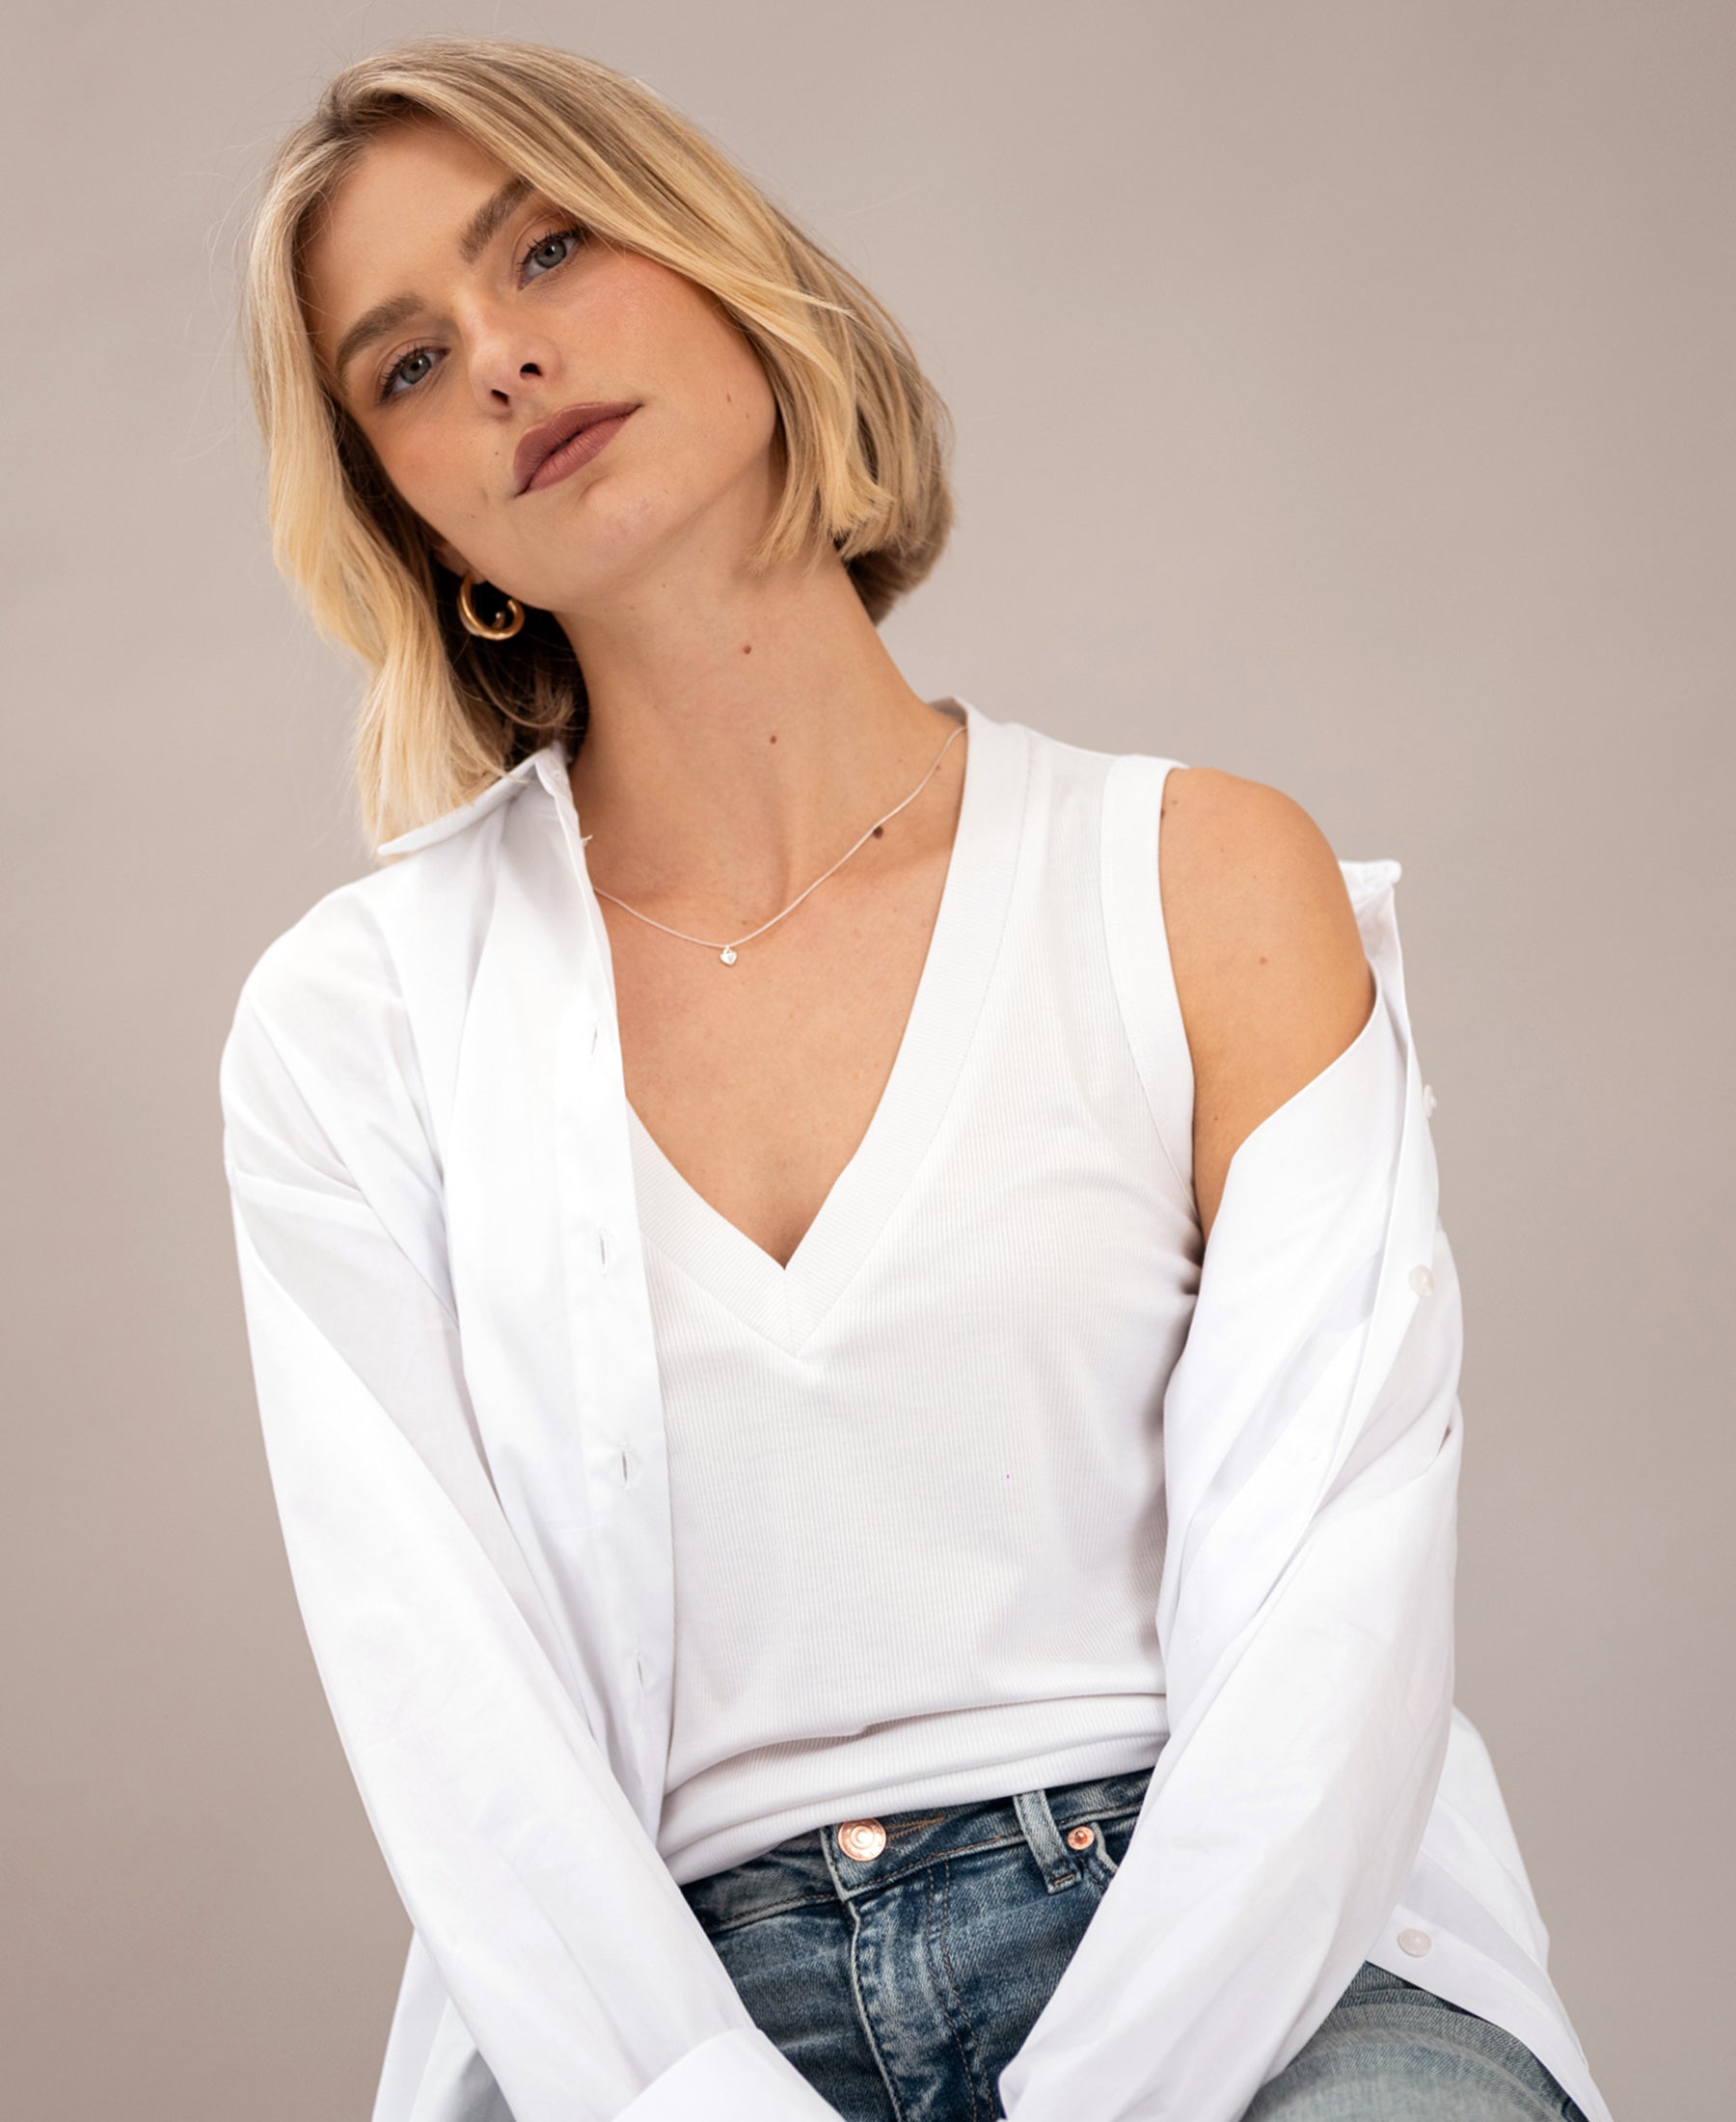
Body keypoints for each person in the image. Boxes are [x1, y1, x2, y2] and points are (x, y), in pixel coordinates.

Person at [220, 36, 1610, 2122]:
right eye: (406, 364)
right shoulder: (356, 1026)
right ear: (416, 517)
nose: (500, 358)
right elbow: (459, 1730)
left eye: (553, 248)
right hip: (655, 2020)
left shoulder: (1202, 883)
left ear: (735, 278)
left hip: (1247, 1962)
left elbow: (1327, 1630)